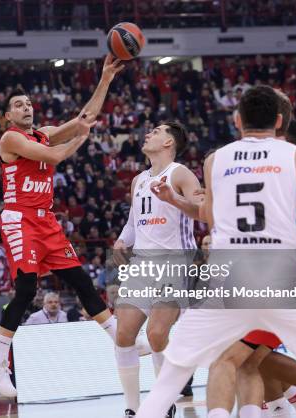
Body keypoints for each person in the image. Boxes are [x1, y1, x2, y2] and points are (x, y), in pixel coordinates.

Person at [135, 85, 296, 418]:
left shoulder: (215, 159)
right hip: (286, 277)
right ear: (279, 120)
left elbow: (208, 215)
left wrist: (175, 201)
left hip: (230, 281)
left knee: (170, 381)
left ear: (238, 121)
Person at [0, 55, 140, 398]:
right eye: (18, 105)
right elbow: (53, 156)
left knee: (81, 280)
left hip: (46, 220)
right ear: (8, 115)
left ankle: (121, 342)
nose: (26, 107)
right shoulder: (10, 139)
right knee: (25, 290)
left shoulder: (44, 134)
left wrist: (105, 78)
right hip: (19, 218)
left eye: (28, 103)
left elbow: (85, 118)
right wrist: (79, 138)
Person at [113, 122, 202, 418]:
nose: (148, 132)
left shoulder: (180, 172)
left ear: (169, 143)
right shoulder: (138, 179)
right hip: (142, 263)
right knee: (123, 334)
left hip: (175, 262)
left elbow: (201, 210)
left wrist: (173, 198)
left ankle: (162, 403)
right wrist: (122, 240)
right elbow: (133, 222)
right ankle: (132, 408)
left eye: (157, 131)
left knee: (156, 335)